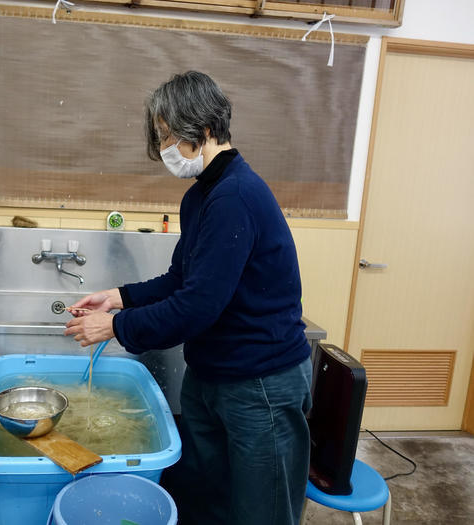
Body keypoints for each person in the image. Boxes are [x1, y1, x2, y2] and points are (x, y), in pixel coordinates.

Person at [64, 71, 312, 525]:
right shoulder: (202, 196)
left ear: (208, 129)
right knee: (206, 499)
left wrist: (115, 328)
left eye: (170, 136)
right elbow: (182, 278)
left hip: (260, 381)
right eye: (160, 137)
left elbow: (198, 305)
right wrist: (117, 298)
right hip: (212, 375)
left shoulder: (236, 195)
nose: (165, 149)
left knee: (264, 510)